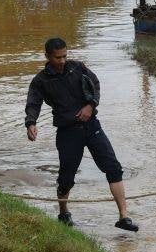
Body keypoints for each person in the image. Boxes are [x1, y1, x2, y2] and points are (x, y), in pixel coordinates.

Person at [24, 37, 138, 232]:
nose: (62, 61)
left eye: (64, 56)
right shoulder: (41, 80)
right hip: (67, 132)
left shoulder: (77, 68)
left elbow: (95, 85)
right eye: (57, 57)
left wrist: (90, 105)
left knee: (113, 167)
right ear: (47, 56)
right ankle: (63, 212)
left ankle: (124, 216)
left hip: (92, 126)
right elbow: (33, 103)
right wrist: (31, 123)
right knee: (66, 177)